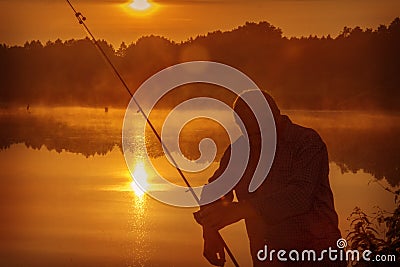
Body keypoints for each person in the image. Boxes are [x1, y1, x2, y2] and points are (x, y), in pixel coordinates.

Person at [194, 90, 345, 266]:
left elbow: (299, 196)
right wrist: (210, 233)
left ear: (275, 117)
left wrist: (241, 210)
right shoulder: (241, 150)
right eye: (245, 130)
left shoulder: (307, 143)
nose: (253, 139)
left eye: (258, 130)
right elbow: (214, 191)